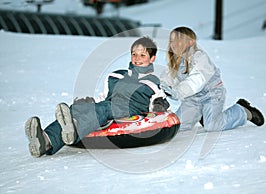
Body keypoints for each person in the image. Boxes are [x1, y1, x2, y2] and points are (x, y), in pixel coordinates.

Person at [25, 37, 169, 157]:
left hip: (131, 110)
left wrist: (159, 105)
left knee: (105, 108)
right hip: (110, 106)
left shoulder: (152, 82)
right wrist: (90, 103)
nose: (137, 59)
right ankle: (45, 141)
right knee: (80, 107)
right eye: (134, 54)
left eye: (142, 55)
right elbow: (104, 97)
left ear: (152, 58)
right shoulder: (115, 75)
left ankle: (74, 127)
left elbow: (159, 101)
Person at [160, 26, 264, 131]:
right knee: (177, 125)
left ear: (190, 42)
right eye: (171, 41)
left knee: (212, 126)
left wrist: (178, 92)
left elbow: (197, 80)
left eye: (178, 40)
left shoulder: (200, 58)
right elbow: (167, 79)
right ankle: (202, 114)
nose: (173, 44)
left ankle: (242, 111)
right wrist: (160, 89)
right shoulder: (175, 62)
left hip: (212, 96)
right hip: (192, 99)